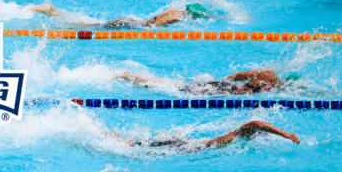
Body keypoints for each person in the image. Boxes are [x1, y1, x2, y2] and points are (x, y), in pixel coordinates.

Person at [106, 120, 300, 153]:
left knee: (140, 145)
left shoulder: (235, 138)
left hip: (189, 144)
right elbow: (255, 124)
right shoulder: (239, 134)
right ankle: (114, 138)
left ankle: (115, 138)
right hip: (190, 147)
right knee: (137, 146)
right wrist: (286, 134)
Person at [114, 68, 302, 95]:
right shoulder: (271, 83)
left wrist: (222, 81)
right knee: (177, 89)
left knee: (177, 86)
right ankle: (132, 77)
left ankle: (134, 77)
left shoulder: (267, 73)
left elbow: (238, 75)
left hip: (222, 86)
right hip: (223, 90)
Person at [30, 2, 211, 28]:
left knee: (91, 24)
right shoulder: (176, 17)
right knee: (86, 27)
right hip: (129, 24)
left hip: (129, 21)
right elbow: (153, 25)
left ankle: (53, 12)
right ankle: (52, 12)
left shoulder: (176, 12)